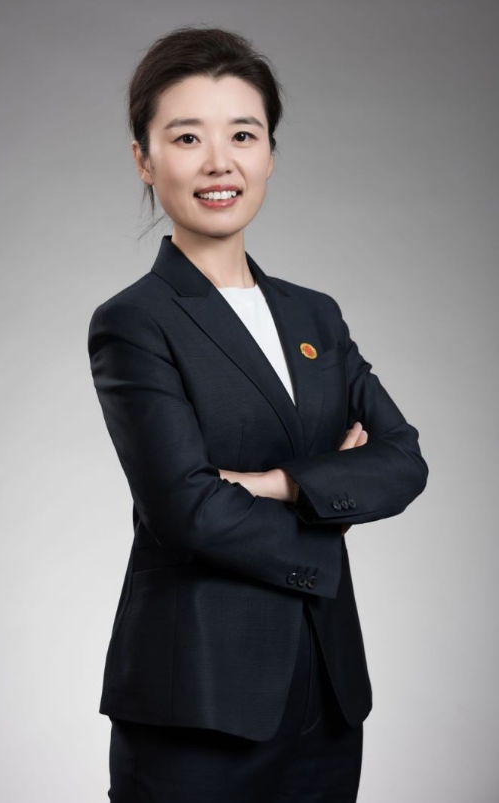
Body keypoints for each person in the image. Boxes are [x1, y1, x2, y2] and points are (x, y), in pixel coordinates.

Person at [87, 25, 429, 803]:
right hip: (197, 703)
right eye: (188, 137)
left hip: (327, 701)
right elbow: (188, 511)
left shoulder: (316, 316)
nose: (220, 162)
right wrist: (333, 507)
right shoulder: (135, 321)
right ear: (144, 157)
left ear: (270, 152)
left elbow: (403, 458)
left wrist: (281, 484)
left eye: (243, 134)